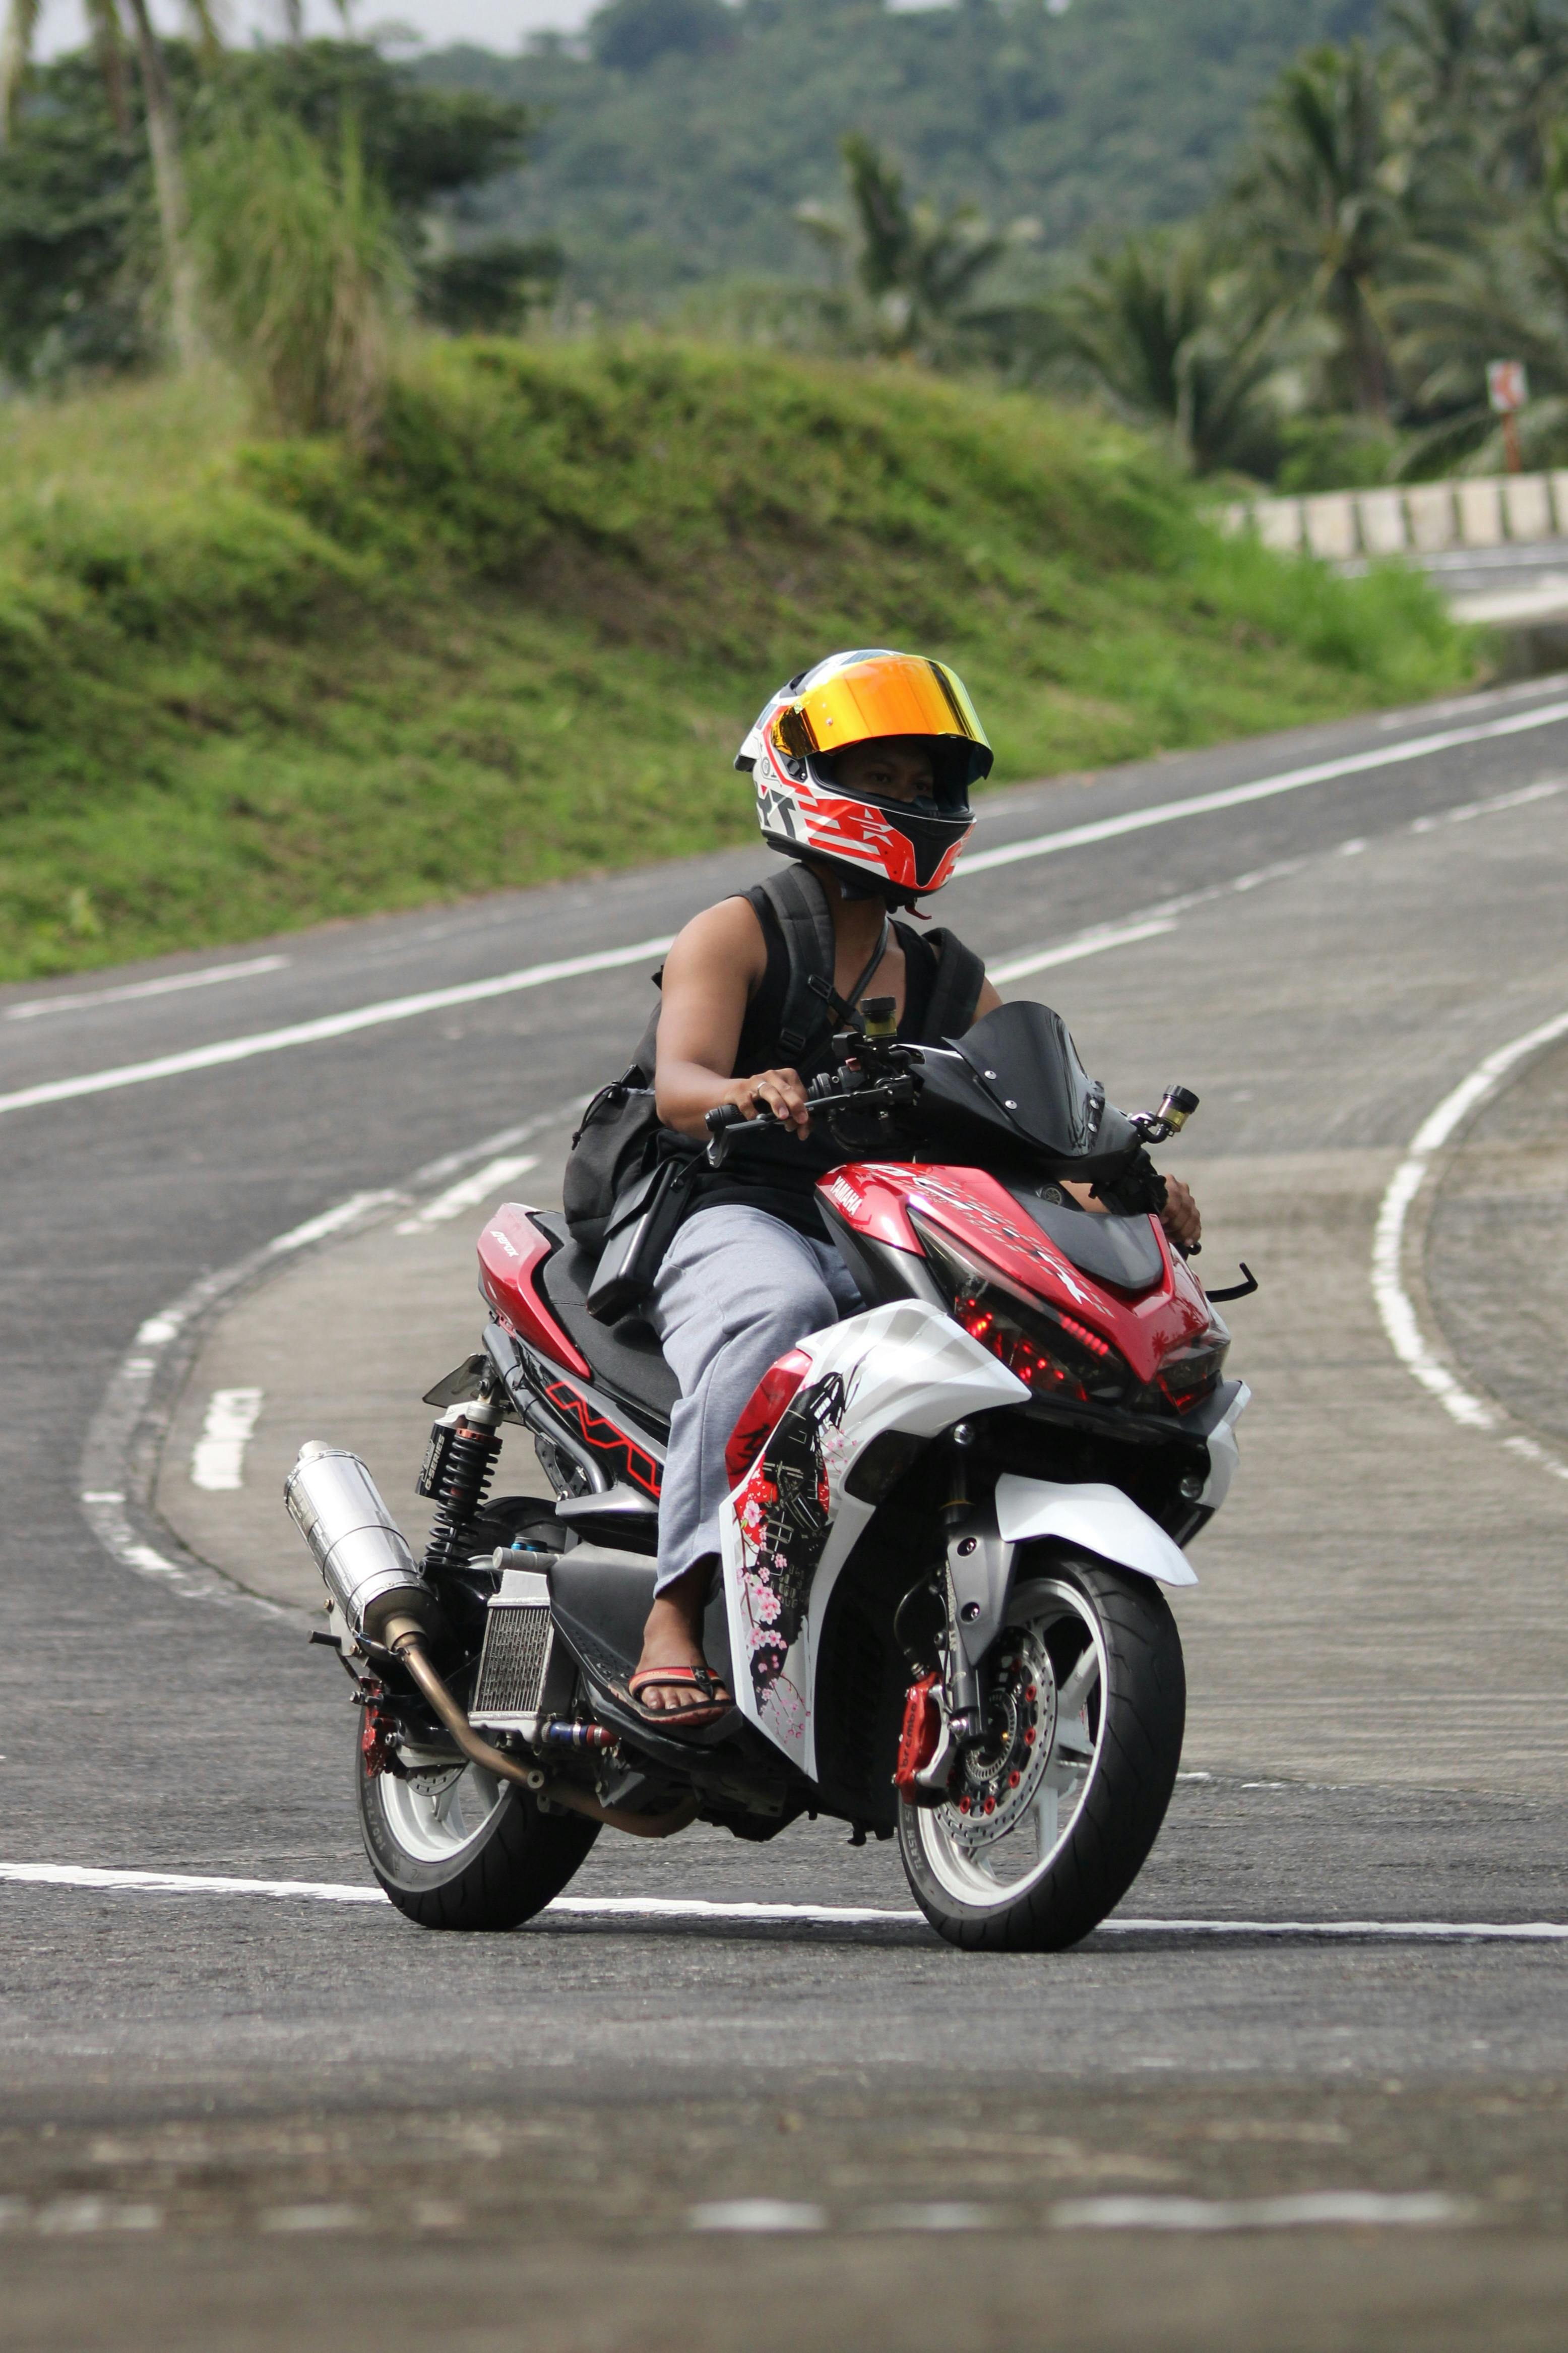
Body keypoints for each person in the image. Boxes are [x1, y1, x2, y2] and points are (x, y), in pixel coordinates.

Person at [624, 648, 1200, 1726]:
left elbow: (1041, 1116)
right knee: (779, 1318)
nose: (908, 800)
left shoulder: (943, 975)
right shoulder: (737, 931)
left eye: (922, 783)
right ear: (805, 778)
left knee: (991, 1331)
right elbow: (679, 1087)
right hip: (735, 1207)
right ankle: (677, 1608)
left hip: (879, 1223)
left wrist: (1124, 1185)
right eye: (880, 778)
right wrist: (744, 1089)